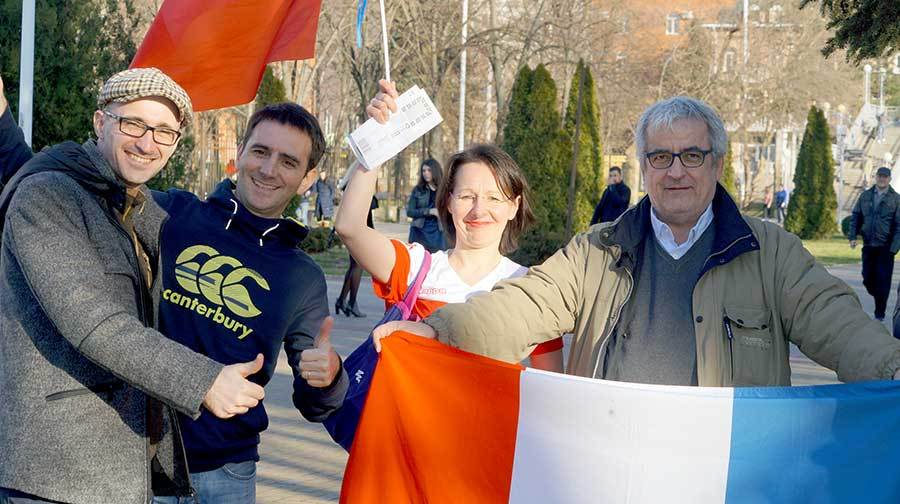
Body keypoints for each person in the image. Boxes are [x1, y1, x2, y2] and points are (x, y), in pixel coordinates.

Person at [375, 96, 900, 387]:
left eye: (691, 156)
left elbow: (838, 322)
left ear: (716, 163)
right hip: (614, 470)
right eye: (660, 157)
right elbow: (523, 305)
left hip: (722, 476)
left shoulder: (773, 254)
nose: (676, 172)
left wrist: (892, 368)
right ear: (644, 166)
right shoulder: (596, 251)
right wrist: (437, 334)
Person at [0, 76, 347, 503]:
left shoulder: (303, 276)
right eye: (260, 151)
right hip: (141, 463)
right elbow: (67, 193)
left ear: (309, 177)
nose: (269, 169)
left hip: (227, 472)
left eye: (288, 161)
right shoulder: (172, 214)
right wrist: (2, 120)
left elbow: (315, 403)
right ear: (240, 153)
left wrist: (328, 380)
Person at [336, 80, 564, 372]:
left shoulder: (531, 291)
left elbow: (549, 386)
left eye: (494, 198)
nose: (479, 210)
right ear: (448, 201)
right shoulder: (418, 268)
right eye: (467, 196)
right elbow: (350, 227)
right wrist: (378, 138)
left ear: (513, 206)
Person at [848, 166, 900, 321]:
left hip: (886, 248)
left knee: (883, 281)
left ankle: (879, 313)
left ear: (889, 179)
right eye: (880, 176)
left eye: (885, 177)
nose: (882, 179)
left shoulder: (895, 199)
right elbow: (856, 216)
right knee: (867, 278)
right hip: (869, 245)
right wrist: (852, 236)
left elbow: (899, 225)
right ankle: (877, 296)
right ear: (876, 177)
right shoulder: (865, 196)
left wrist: (894, 248)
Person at [406, 158, 446, 252]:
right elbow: (410, 212)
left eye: (429, 170)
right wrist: (429, 211)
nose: (425, 173)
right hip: (419, 232)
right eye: (423, 170)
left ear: (435, 171)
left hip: (439, 233)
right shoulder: (418, 190)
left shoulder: (444, 190)